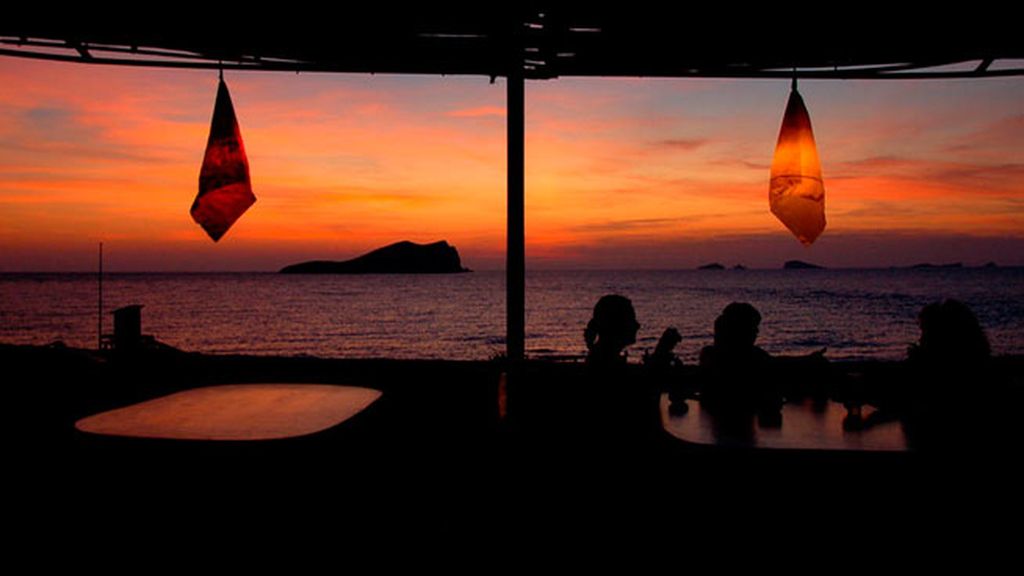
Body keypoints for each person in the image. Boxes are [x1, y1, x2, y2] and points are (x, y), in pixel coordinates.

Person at [697, 302, 782, 425]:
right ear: (740, 330)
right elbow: (774, 364)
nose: (757, 331)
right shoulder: (749, 357)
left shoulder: (710, 354)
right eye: (753, 326)